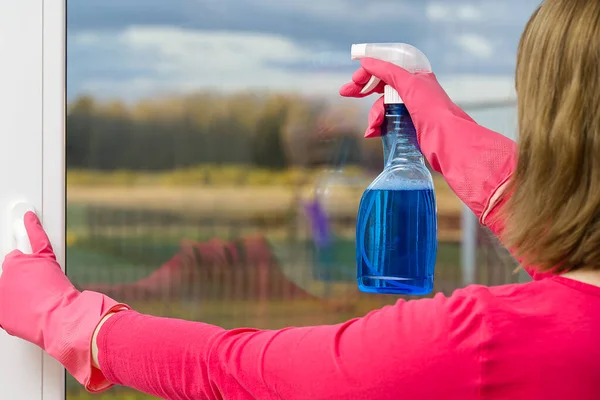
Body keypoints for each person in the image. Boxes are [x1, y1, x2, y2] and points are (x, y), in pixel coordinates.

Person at [2, 0, 600, 398]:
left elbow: (234, 370)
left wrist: (75, 324)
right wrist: (460, 147)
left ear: (555, 127)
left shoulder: (483, 343)